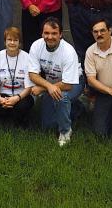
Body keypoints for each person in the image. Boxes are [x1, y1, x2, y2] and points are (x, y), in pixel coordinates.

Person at [28, 18, 83, 146]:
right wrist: (48, 86)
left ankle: (65, 132)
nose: (50, 37)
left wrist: (43, 88)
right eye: (46, 33)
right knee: (48, 126)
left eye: (54, 33)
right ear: (42, 34)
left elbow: (68, 85)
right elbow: (32, 74)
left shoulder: (68, 51)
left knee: (62, 98)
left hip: (74, 82)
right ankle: (78, 108)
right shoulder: (36, 45)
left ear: (60, 34)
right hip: (52, 83)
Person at [0, 26, 34, 127]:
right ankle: (5, 120)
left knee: (22, 106)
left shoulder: (27, 58)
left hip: (22, 95)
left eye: (15, 40)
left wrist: (17, 98)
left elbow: (29, 87)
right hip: (3, 95)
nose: (12, 43)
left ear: (19, 42)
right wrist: (0, 98)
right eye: (9, 39)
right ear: (5, 41)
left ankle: (21, 121)